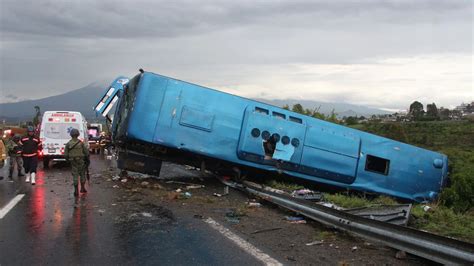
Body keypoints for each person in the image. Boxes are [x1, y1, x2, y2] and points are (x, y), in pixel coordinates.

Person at [64, 128, 90, 197]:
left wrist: (68, 160)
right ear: (78, 134)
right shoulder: (81, 143)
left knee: (75, 175)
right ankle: (82, 188)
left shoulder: (68, 143)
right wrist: (87, 159)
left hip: (73, 161)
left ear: (71, 135)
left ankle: (76, 190)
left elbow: (66, 154)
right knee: (82, 174)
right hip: (81, 160)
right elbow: (86, 152)